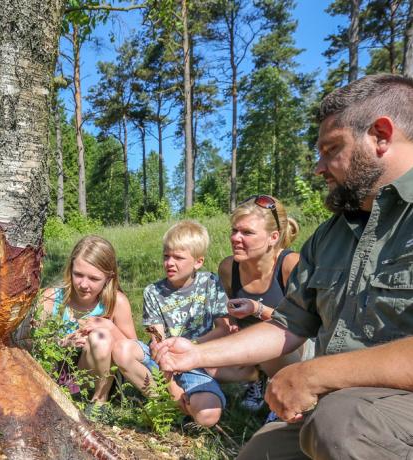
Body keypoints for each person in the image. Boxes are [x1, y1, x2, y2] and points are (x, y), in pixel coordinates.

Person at [152, 73, 413, 460]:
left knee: (341, 425)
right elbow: (289, 324)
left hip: (374, 409)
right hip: (329, 407)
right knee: (260, 453)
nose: (319, 167)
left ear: (380, 135)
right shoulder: (330, 237)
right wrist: (196, 354)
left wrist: (313, 375)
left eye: (331, 149)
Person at [137, 220, 236, 427]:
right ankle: (170, 400)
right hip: (161, 361)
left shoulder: (211, 283)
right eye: (166, 256)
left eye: (178, 258)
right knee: (123, 349)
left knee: (208, 416)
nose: (170, 263)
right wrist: (171, 383)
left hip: (197, 362)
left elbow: (223, 328)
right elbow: (156, 339)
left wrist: (191, 347)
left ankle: (182, 402)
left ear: (198, 262)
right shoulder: (152, 292)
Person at [37, 235, 148, 405]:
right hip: (59, 376)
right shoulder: (51, 299)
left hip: (100, 378)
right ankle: (71, 397)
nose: (83, 284)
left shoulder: (116, 302)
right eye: (78, 274)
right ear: (70, 269)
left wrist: (111, 328)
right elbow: (33, 345)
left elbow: (134, 351)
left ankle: (99, 403)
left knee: (101, 337)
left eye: (94, 279)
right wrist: (62, 343)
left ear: (108, 278)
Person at [217, 195, 303, 412]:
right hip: (249, 348)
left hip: (292, 349)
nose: (236, 238)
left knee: (270, 343)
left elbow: (304, 323)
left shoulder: (290, 264)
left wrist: (258, 309)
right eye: (234, 231)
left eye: (247, 233)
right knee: (205, 362)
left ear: (273, 237)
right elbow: (229, 312)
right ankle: (256, 382)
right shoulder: (229, 268)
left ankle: (284, 401)